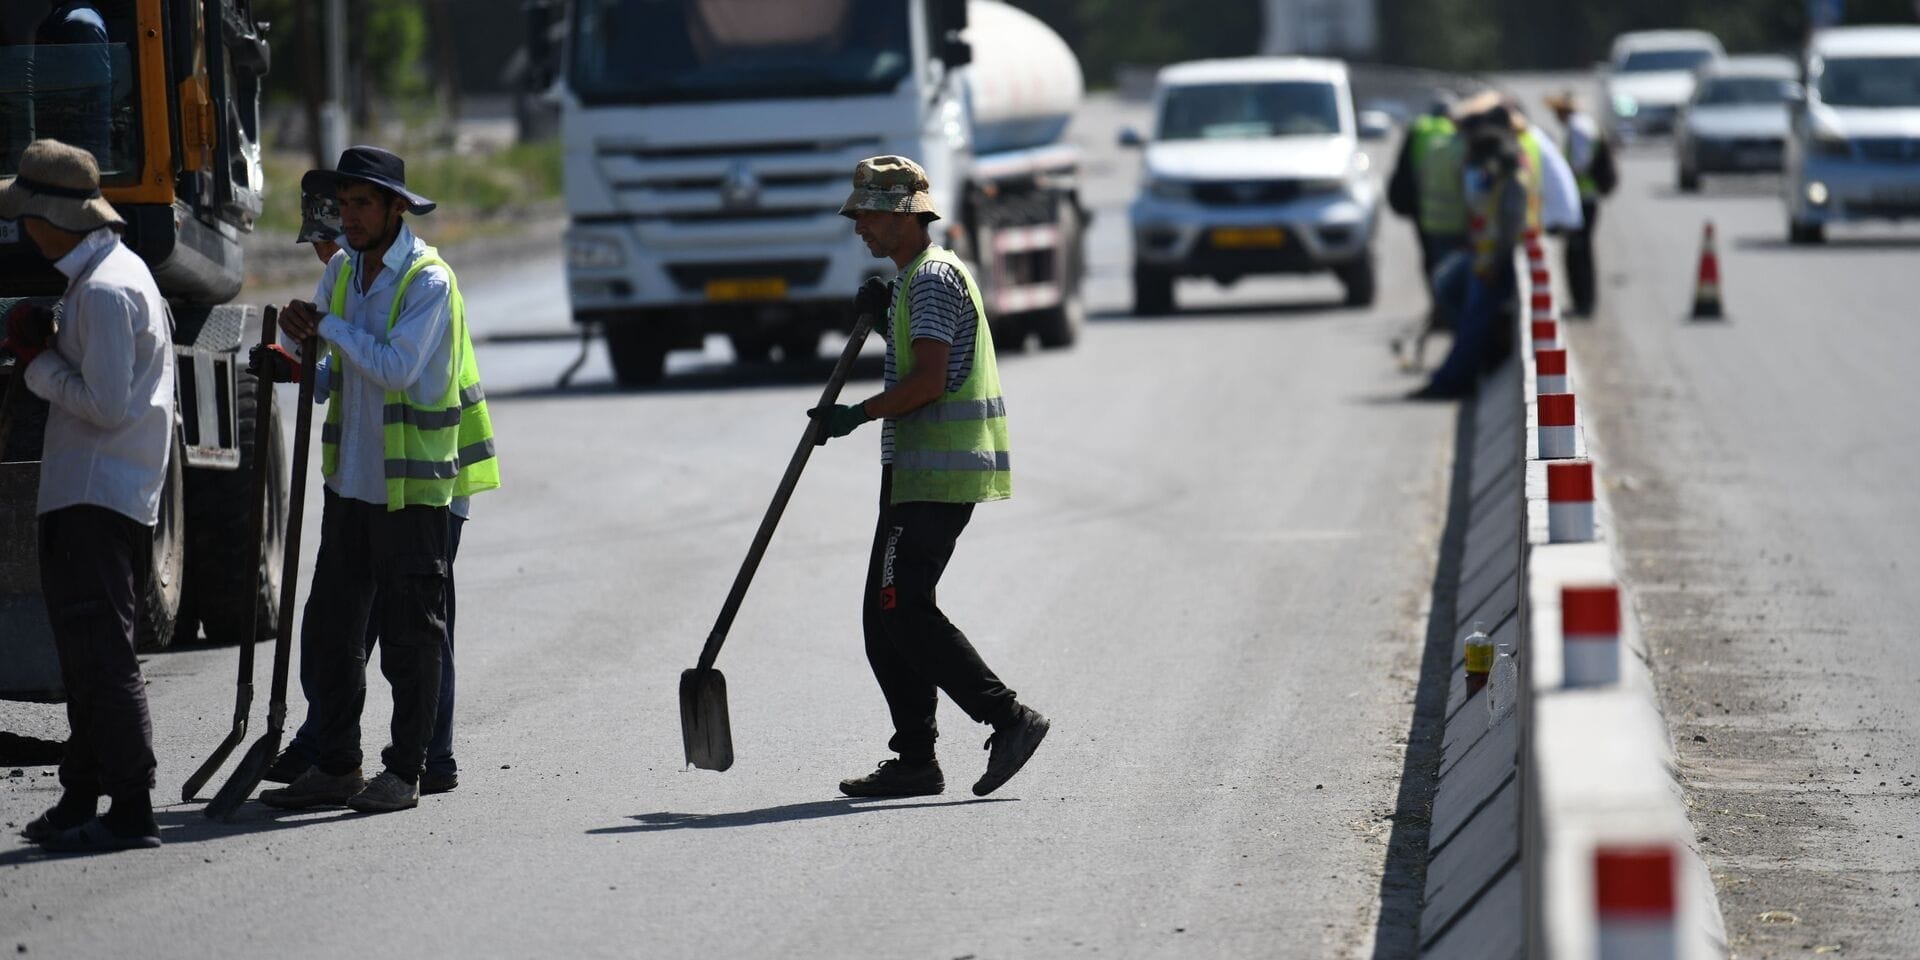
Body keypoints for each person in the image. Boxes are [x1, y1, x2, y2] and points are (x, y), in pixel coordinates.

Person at [253, 146, 498, 814]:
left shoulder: (427, 281)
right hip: (352, 487)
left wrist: (325, 326)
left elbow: (392, 368)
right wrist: (296, 360)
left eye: (363, 204)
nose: (350, 217)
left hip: (414, 490)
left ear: (396, 207)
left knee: (411, 635)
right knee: (335, 631)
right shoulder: (342, 276)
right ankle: (336, 764)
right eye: (346, 203)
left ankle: (410, 768)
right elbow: (335, 374)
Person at [811, 155, 1049, 799]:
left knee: (903, 610)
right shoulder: (916, 278)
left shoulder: (935, 278)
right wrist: (884, 314)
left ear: (900, 214)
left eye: (866, 214)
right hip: (915, 471)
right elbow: (920, 357)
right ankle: (916, 759)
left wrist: (854, 415)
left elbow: (931, 379)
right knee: (884, 617)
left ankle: (1008, 718)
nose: (858, 225)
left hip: (939, 473)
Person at [0, 138, 170, 852]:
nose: (18, 230)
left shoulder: (102, 289)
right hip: (105, 490)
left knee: (101, 656)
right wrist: (54, 338)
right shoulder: (107, 275)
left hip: (95, 494)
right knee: (88, 652)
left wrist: (37, 362)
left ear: (48, 218)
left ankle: (131, 806)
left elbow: (103, 403)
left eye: (23, 216)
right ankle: (80, 796)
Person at [1411, 107, 1531, 400]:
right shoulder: (1497, 178)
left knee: (1473, 323)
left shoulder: (1511, 181)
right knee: (1448, 289)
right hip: (1482, 257)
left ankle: (1452, 381)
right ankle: (1471, 366)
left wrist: (1491, 263)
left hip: (1492, 263)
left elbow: (1507, 230)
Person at [1544, 90, 1611, 316]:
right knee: (1579, 251)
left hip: (1584, 197)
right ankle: (1583, 302)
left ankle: (1584, 303)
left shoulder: (1578, 128)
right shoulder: (1583, 124)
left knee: (1579, 252)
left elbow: (1580, 163)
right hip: (1585, 196)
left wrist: (1562, 178)